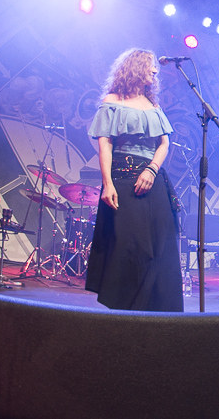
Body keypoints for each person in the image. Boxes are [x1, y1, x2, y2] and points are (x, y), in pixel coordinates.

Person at [83, 48, 182, 311]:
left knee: (160, 246)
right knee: (129, 245)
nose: (154, 70)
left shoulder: (154, 105)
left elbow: (164, 143)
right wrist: (107, 184)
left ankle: (159, 313)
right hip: (123, 179)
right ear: (135, 66)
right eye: (150, 65)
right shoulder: (112, 100)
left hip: (154, 179)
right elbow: (105, 144)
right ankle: (127, 311)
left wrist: (151, 170)